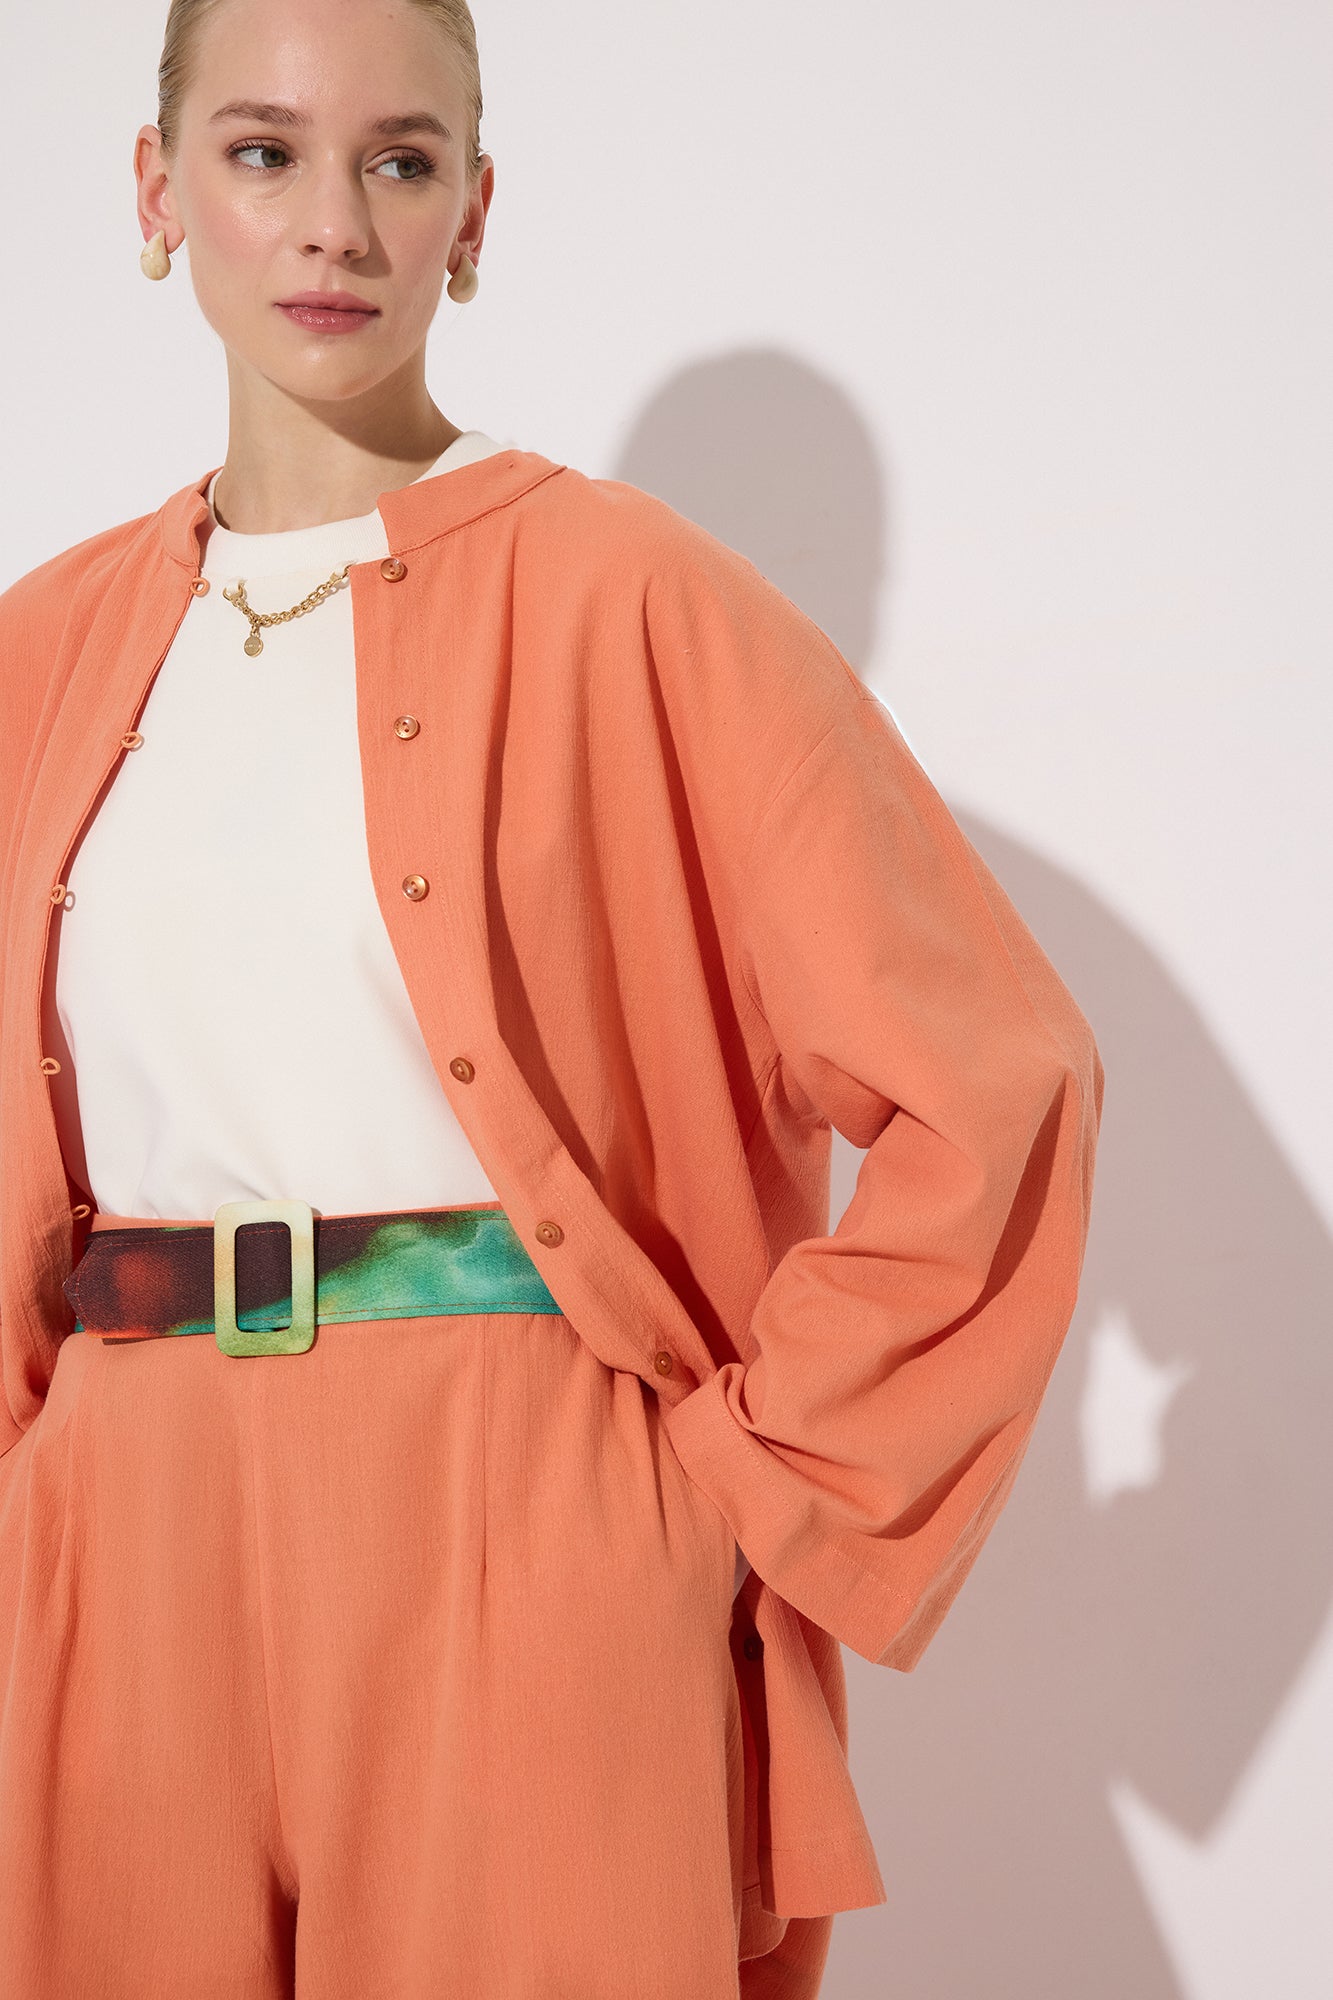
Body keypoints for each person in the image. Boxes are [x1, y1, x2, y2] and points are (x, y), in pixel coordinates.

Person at [0, 0, 1104, 1995]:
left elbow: (995, 1078)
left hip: (518, 1503)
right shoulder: (42, 652)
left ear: (474, 214)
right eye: (261, 153)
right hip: (117, 1517)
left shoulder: (641, 601)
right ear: (156, 193)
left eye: (399, 161)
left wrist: (739, 1489)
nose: (333, 221)